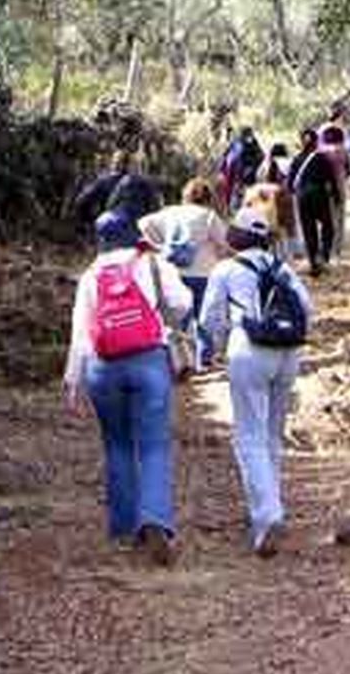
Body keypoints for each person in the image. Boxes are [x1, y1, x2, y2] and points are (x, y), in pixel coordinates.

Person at [65, 210, 192, 564]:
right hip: (148, 360)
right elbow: (183, 304)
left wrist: (72, 380)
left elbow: (80, 334)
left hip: (102, 367)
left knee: (117, 444)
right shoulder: (152, 264)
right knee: (153, 445)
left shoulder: (90, 275)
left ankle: (123, 526)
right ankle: (154, 519)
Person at [200, 208, 314, 556]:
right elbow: (307, 309)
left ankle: (267, 516)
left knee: (249, 435)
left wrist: (218, 348)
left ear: (237, 237)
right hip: (288, 352)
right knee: (272, 434)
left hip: (248, 350)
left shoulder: (226, 270)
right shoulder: (282, 269)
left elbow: (210, 318)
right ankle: (269, 507)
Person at [138, 178, 226, 368]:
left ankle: (181, 359)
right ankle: (204, 358)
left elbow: (143, 224)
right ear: (208, 197)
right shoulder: (209, 216)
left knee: (178, 317)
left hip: (174, 272)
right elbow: (223, 242)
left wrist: (158, 246)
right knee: (203, 316)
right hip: (203, 273)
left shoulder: (170, 212)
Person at [288, 128, 340, 274]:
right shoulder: (322, 158)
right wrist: (336, 197)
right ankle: (323, 256)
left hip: (302, 197)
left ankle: (313, 263)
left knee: (308, 229)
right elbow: (331, 179)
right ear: (316, 142)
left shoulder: (296, 159)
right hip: (319, 195)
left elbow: (290, 183)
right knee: (328, 227)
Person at [74, 150, 162, 233]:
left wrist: (89, 221)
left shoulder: (103, 181)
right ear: (131, 165)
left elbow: (81, 201)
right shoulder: (144, 182)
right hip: (137, 229)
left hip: (110, 227)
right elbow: (155, 206)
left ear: (113, 164)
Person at [317, 121, 350, 256]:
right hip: (340, 186)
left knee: (325, 218)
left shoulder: (321, 152)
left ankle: (325, 246)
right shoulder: (343, 151)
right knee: (339, 217)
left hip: (323, 188)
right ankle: (337, 247)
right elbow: (348, 171)